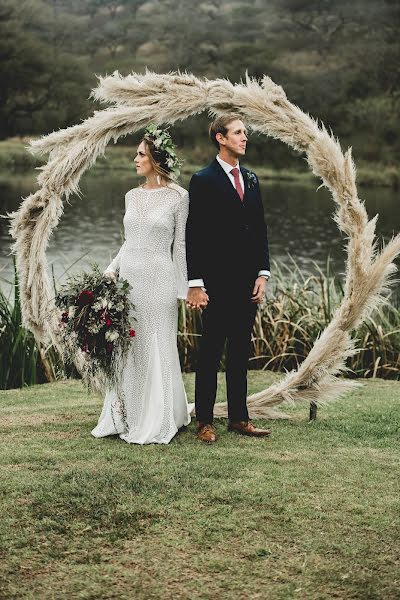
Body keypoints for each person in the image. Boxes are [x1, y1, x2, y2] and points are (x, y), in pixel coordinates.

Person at [91, 125, 193, 444]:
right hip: (129, 280)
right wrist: (111, 270)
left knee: (156, 343)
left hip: (160, 278)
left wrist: (185, 288)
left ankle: (160, 417)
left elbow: (180, 247)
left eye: (140, 154)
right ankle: (127, 414)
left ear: (155, 158)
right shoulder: (131, 196)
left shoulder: (179, 196)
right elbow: (128, 241)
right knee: (129, 345)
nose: (135, 159)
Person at [186, 114, 272, 443]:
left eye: (245, 133)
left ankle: (239, 418)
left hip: (247, 281)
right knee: (210, 352)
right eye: (238, 132)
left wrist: (263, 274)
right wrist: (196, 282)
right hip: (216, 282)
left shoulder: (251, 179)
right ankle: (205, 422)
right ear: (220, 138)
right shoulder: (203, 179)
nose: (244, 137)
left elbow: (260, 229)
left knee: (240, 351)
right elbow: (194, 235)